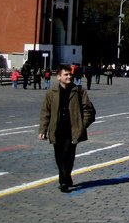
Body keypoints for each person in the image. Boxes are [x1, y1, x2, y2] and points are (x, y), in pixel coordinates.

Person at [38, 64, 96, 192]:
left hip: (72, 130)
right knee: (59, 156)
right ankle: (66, 177)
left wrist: (81, 125)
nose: (69, 76)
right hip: (57, 130)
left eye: (70, 74)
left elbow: (90, 111)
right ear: (59, 77)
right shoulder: (51, 93)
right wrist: (43, 129)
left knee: (68, 155)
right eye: (66, 74)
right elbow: (45, 112)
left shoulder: (79, 91)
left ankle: (63, 182)